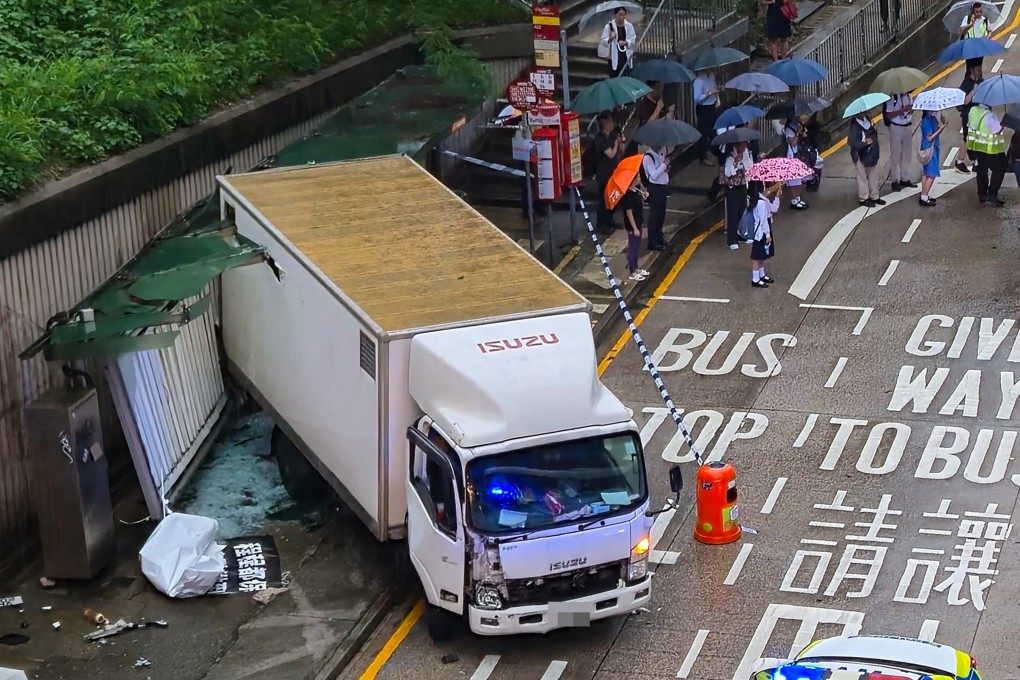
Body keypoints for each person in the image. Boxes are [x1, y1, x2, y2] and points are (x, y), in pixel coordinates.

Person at [966, 102, 1007, 206]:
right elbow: (997, 130)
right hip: (991, 149)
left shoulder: (973, 110)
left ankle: (982, 194)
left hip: (977, 147)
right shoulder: (990, 115)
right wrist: (1003, 123)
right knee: (999, 170)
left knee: (981, 170)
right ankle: (992, 194)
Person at [594, 112, 625, 230]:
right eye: (610, 121)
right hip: (604, 173)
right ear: (605, 124)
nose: (612, 124)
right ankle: (602, 224)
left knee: (612, 198)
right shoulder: (600, 139)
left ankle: (610, 220)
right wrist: (616, 143)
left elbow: (621, 150)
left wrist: (621, 141)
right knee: (603, 200)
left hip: (613, 172)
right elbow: (611, 154)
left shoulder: (612, 136)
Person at [848, 112, 885, 207]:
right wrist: (865, 143)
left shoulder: (868, 119)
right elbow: (852, 143)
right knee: (862, 177)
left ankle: (875, 196)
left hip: (871, 154)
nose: (863, 113)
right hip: (860, 155)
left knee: (873, 176)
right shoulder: (854, 126)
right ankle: (864, 198)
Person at [748, 181, 781, 288]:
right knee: (757, 255)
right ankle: (755, 279)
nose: (769, 189)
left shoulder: (762, 200)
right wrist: (767, 235)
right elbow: (763, 221)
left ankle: (761, 275)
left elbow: (773, 209)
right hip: (761, 232)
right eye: (767, 187)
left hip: (763, 230)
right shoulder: (760, 203)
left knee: (762, 254)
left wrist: (777, 197)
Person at [722, 142, 753, 249]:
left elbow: (749, 167)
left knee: (742, 207)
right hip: (732, 187)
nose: (744, 147)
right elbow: (727, 172)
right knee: (733, 211)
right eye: (742, 145)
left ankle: (739, 233)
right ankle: (731, 239)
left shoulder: (745, 154)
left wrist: (744, 165)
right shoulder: (730, 156)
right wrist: (735, 162)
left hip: (742, 185)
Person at [884, 92, 916, 191]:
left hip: (907, 126)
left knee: (907, 154)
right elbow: (889, 115)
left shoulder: (909, 97)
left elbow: (912, 111)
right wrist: (902, 110)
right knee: (895, 155)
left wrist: (910, 110)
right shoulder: (892, 99)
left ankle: (904, 178)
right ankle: (894, 180)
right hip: (896, 128)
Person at [621, 176, 650, 281]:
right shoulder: (628, 196)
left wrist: (644, 195)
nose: (639, 178)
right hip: (633, 226)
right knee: (633, 248)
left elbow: (640, 202)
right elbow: (629, 213)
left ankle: (636, 268)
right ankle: (632, 271)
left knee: (637, 247)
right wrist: (634, 228)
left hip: (639, 222)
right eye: (637, 177)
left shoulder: (636, 191)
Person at [957, 62, 984, 173]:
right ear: (972, 69)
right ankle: (960, 161)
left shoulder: (981, 81)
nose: (979, 70)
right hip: (968, 116)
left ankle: (976, 161)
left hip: (978, 114)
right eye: (977, 68)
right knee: (968, 139)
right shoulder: (966, 83)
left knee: (976, 138)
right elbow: (964, 100)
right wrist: (974, 90)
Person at [642, 145, 669, 251]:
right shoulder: (648, 157)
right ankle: (653, 241)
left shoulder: (661, 154)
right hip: (654, 188)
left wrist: (666, 167)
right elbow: (653, 175)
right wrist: (664, 165)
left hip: (662, 187)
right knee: (654, 215)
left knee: (661, 214)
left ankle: (659, 237)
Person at [693, 68, 721, 165]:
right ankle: (702, 157)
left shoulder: (711, 76)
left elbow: (713, 88)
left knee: (714, 129)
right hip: (703, 108)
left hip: (712, 105)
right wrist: (709, 94)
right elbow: (697, 98)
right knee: (703, 133)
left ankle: (715, 150)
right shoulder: (698, 81)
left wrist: (717, 90)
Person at [918, 109, 946, 207]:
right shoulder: (926, 121)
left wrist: (942, 125)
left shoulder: (932, 119)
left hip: (932, 148)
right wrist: (941, 128)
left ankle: (924, 194)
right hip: (930, 149)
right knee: (931, 173)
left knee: (926, 173)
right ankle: (924, 196)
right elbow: (929, 137)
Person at [600, 7, 636, 78]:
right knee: (614, 74)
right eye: (620, 15)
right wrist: (611, 38)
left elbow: (633, 39)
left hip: (625, 54)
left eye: (623, 15)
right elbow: (604, 40)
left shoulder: (629, 26)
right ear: (615, 15)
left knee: (625, 74)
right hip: (613, 54)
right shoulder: (609, 26)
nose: (622, 17)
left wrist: (626, 42)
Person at [783, 127, 809, 210]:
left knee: (798, 181)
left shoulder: (794, 127)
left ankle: (798, 199)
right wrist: (797, 132)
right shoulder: (788, 130)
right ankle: (794, 200)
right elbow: (793, 143)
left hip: (796, 158)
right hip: (790, 159)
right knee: (793, 182)